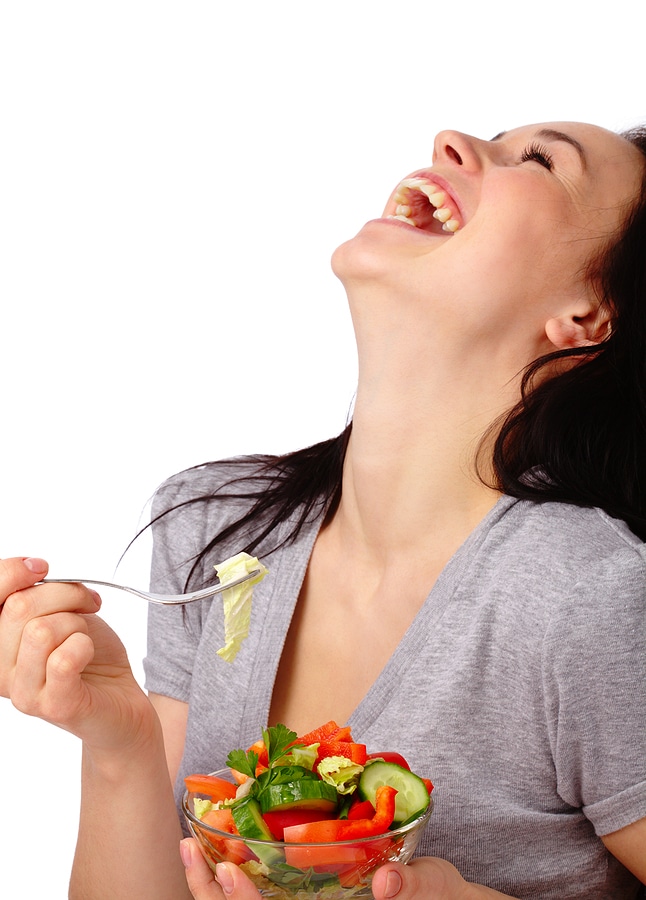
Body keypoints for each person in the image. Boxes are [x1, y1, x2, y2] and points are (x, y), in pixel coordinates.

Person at [1, 119, 645, 900]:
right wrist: (117, 740)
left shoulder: (593, 599)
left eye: (538, 160)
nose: (451, 140)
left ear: (588, 317)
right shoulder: (213, 527)